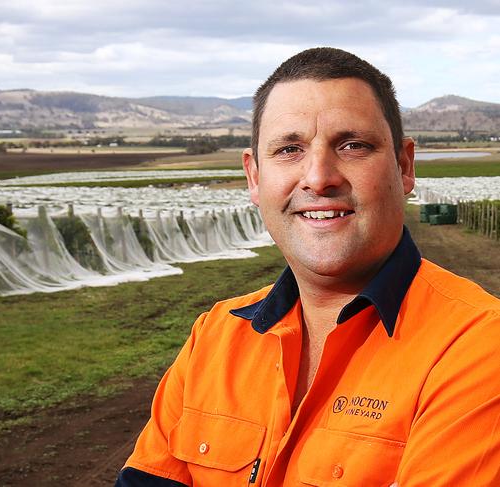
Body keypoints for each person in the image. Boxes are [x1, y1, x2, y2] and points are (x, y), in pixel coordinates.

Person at [115, 47, 500, 486]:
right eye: (288, 149)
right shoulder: (215, 336)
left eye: (353, 146)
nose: (319, 177)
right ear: (254, 177)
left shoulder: (480, 345)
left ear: (404, 165)